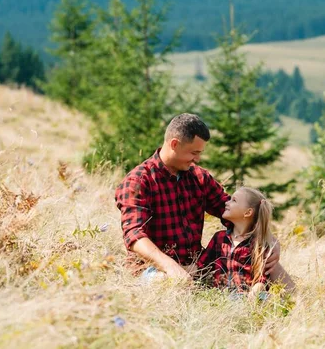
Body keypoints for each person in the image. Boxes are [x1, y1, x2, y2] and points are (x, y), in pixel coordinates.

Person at [115, 113, 289, 283]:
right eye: (193, 153)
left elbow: (235, 212)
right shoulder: (138, 181)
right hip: (153, 269)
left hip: (197, 266)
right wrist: (170, 266)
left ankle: (296, 302)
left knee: (268, 261)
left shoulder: (199, 177)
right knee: (175, 284)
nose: (197, 159)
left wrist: (269, 241)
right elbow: (135, 235)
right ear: (174, 144)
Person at [192, 186, 294, 298]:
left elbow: (261, 276)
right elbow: (203, 265)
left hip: (246, 296)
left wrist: (257, 289)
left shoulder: (257, 244)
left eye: (233, 200)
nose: (227, 202)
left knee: (265, 297)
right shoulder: (219, 238)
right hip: (220, 295)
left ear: (247, 212)